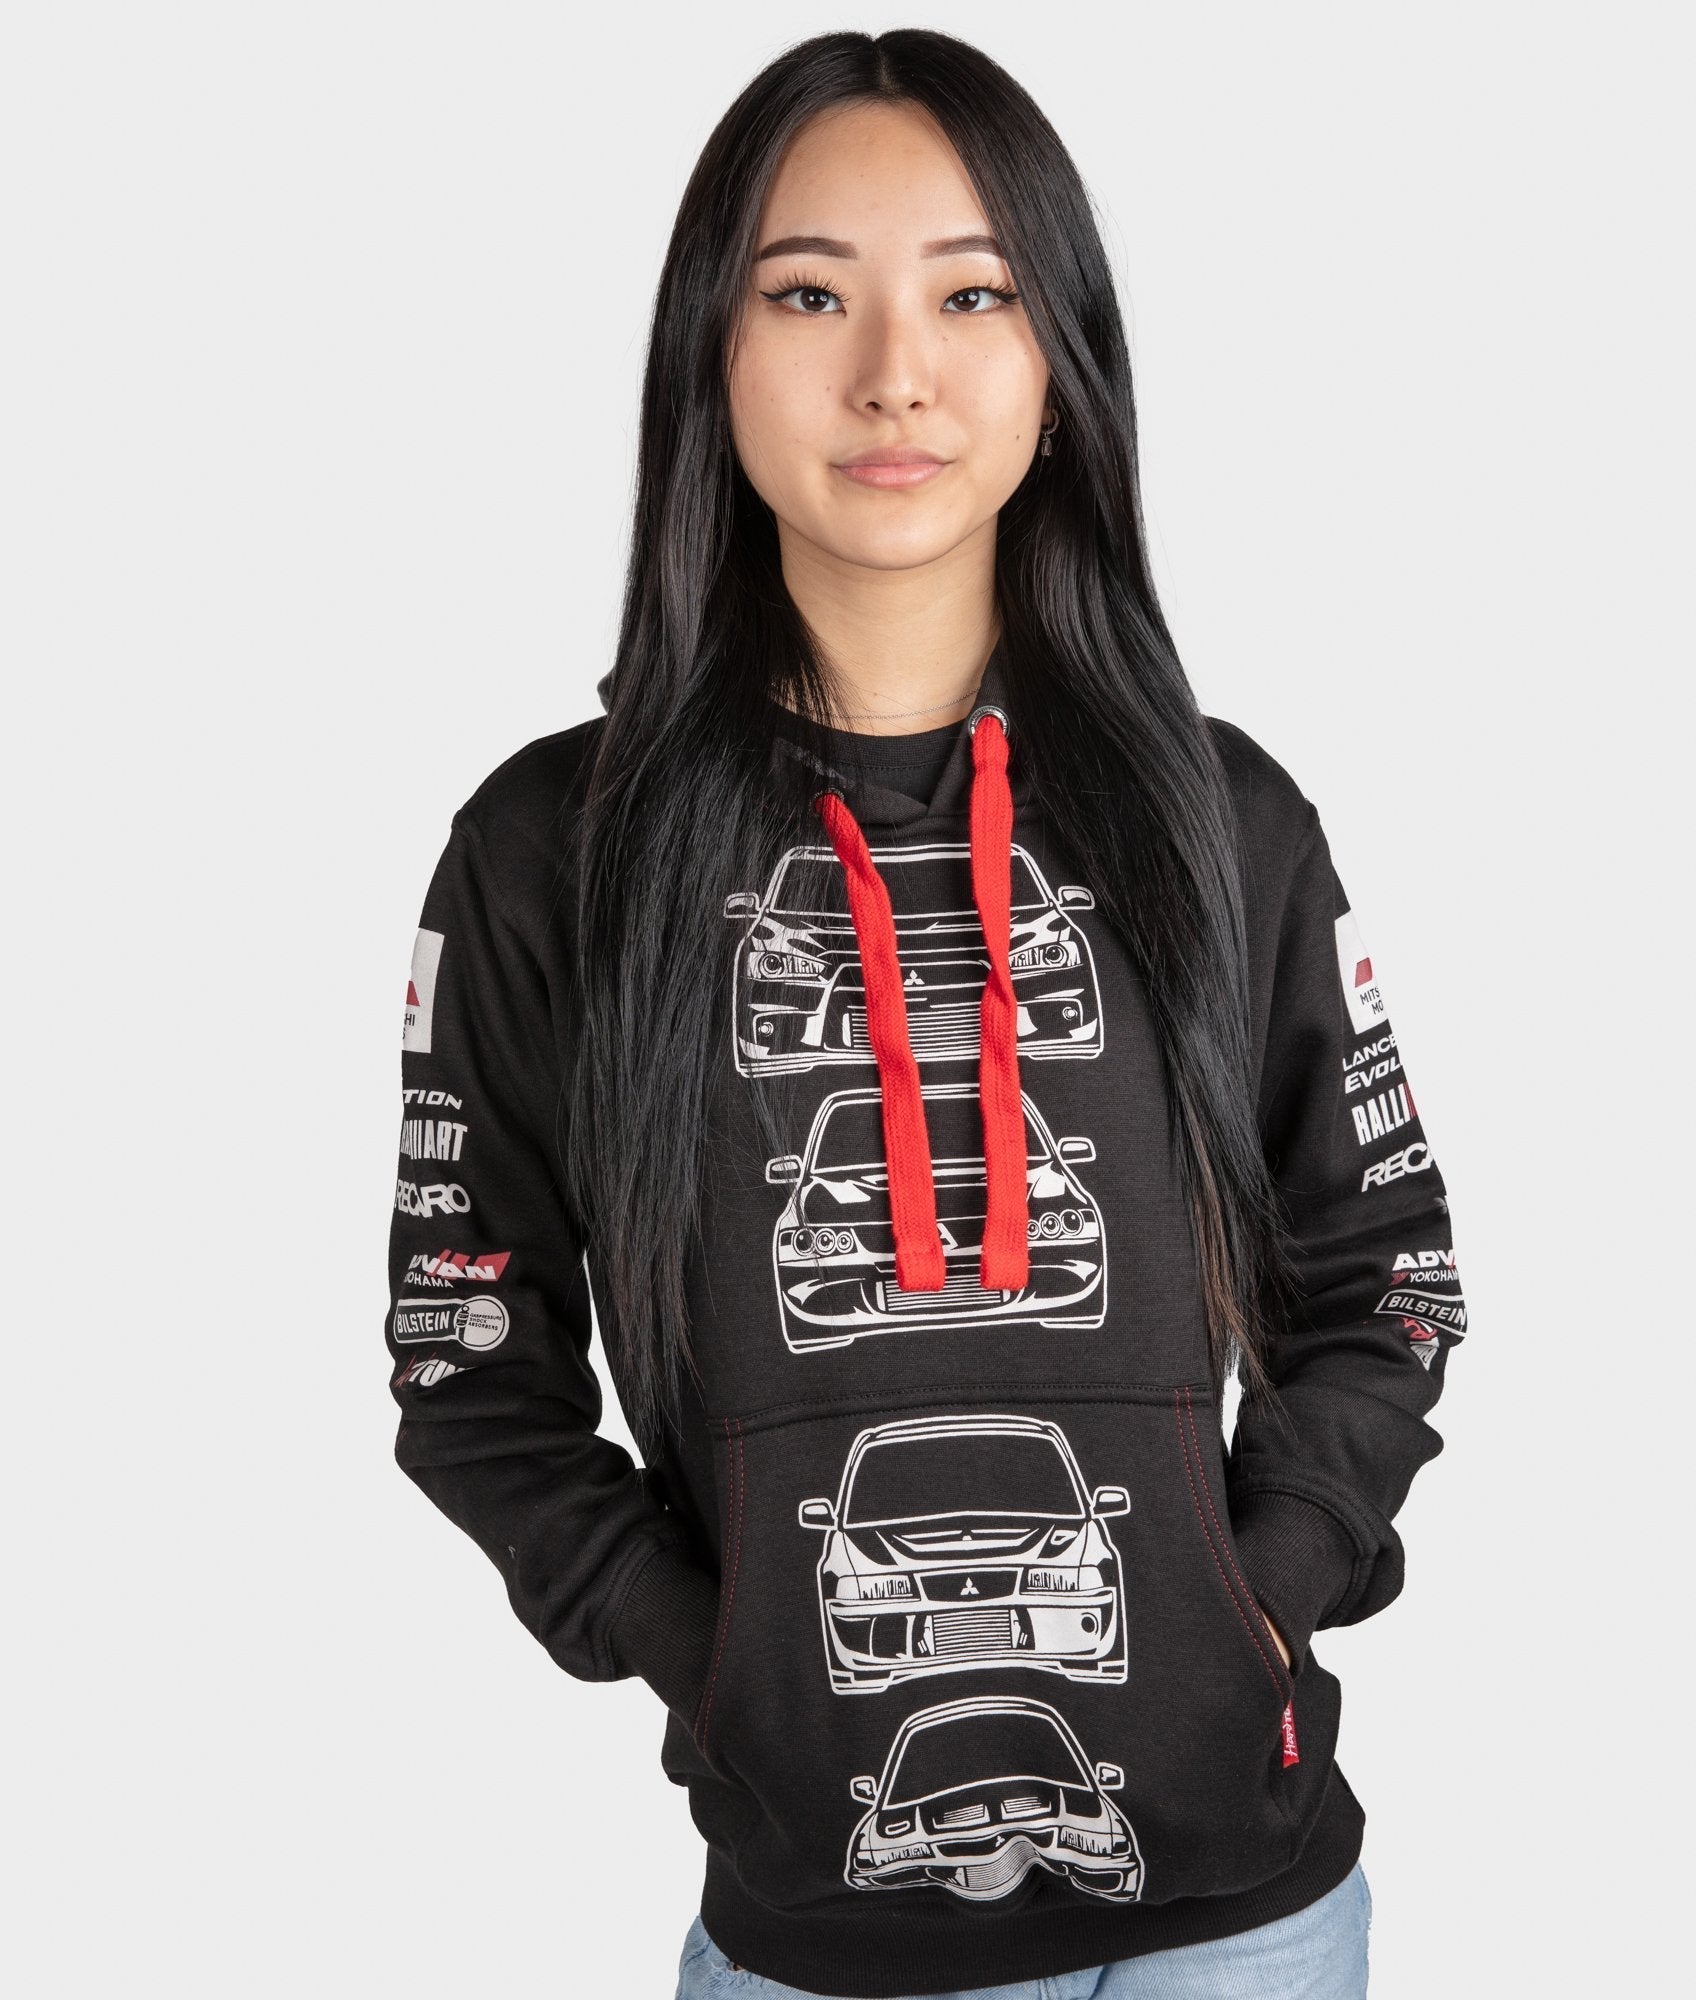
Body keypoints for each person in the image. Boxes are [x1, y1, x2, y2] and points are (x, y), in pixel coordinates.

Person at [385, 28, 1460, 2000]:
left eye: (972, 294)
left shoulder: (1222, 821)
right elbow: (465, 1357)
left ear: (1059, 363)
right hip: (820, 1941)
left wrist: (1264, 1588)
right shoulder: (551, 856)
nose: (895, 371)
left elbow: (1385, 1271)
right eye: (809, 294)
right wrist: (704, 1654)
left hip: (1252, 1923)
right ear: (708, 351)